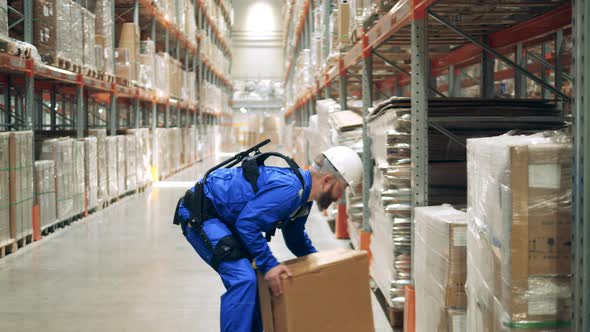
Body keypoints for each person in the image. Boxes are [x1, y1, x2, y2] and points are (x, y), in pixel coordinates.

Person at [174, 146, 363, 332]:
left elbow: (295, 238)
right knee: (244, 279)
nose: (340, 198)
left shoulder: (303, 199)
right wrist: (270, 264)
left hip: (225, 219)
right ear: (328, 180)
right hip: (202, 214)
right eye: (343, 188)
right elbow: (247, 224)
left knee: (257, 279)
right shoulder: (290, 189)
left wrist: (323, 265)